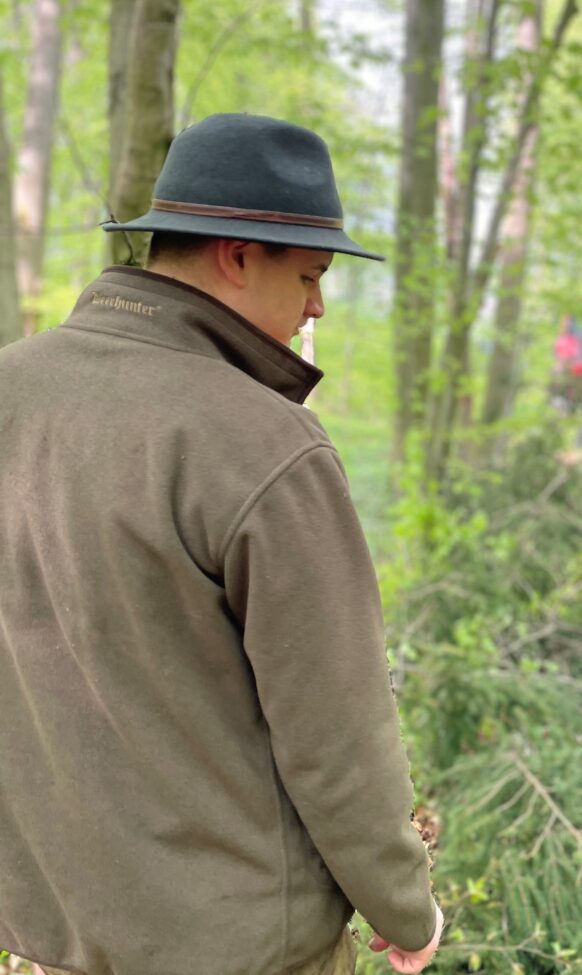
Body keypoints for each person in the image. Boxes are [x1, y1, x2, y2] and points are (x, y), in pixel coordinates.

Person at [0, 113, 442, 975]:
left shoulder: (9, 388)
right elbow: (336, 735)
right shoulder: (265, 446)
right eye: (311, 274)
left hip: (55, 923)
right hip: (240, 947)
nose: (317, 303)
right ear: (237, 256)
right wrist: (404, 907)